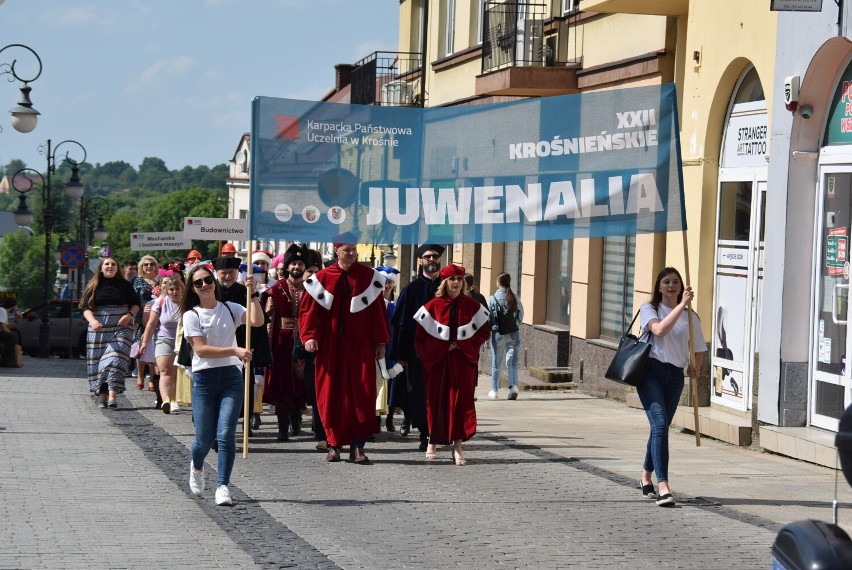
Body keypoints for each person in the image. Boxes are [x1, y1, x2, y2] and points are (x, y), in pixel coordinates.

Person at [299, 237, 389, 464]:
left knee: (362, 393)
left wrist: (380, 342)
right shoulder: (321, 279)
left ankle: (358, 446)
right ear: (336, 251)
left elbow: (378, 312)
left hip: (361, 346)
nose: (351, 253)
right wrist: (309, 336)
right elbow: (309, 312)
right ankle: (334, 445)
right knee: (331, 395)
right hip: (331, 347)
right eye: (346, 250)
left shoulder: (369, 278)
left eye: (354, 250)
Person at [183, 263, 264, 506]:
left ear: (214, 282)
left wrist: (253, 294)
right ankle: (197, 466)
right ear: (193, 289)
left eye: (208, 280)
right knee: (203, 439)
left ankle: (222, 486)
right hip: (205, 379)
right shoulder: (192, 315)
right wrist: (234, 349)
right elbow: (201, 350)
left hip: (231, 376)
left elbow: (256, 321)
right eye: (198, 283)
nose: (205, 285)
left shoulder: (230, 308)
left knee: (227, 433)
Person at [638, 266, 706, 507]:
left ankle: (646, 475)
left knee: (661, 426)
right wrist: (681, 305)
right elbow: (659, 330)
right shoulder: (649, 309)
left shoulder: (691, 317)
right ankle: (663, 485)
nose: (671, 285)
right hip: (650, 373)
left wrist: (695, 367)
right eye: (666, 281)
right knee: (659, 423)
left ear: (681, 286)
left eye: (675, 282)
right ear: (659, 287)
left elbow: (698, 347)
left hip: (675, 376)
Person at [414, 264, 490, 465]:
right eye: (452, 279)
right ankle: (432, 442)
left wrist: (463, 345)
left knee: (461, 403)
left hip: (462, 361)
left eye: (459, 279)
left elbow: (483, 333)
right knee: (436, 401)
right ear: (445, 282)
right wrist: (441, 348)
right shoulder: (433, 306)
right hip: (439, 363)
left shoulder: (472, 306)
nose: (455, 283)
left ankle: (458, 447)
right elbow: (420, 338)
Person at [388, 244, 445, 451]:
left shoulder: (447, 287)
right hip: (417, 354)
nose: (432, 260)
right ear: (420, 261)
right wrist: (400, 354)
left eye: (435, 257)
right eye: (427, 257)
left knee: (440, 394)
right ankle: (425, 433)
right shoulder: (411, 290)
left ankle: (438, 432)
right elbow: (401, 324)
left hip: (443, 353)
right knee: (419, 395)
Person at [215, 255, 271, 437]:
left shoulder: (245, 292)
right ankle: (218, 426)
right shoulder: (210, 292)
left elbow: (259, 323)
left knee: (244, 386)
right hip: (218, 347)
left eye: (231, 273)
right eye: (224, 273)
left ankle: (245, 420)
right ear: (217, 273)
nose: (227, 276)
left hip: (242, 346)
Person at [80, 257, 140, 409]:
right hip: (99, 329)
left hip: (121, 327)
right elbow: (85, 307)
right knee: (101, 363)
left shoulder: (125, 285)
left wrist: (129, 315)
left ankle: (112, 395)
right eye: (107, 264)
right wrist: (92, 321)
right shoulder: (93, 285)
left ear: (117, 268)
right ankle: (102, 396)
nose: (110, 266)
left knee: (115, 358)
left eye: (113, 264)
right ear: (101, 268)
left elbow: (136, 304)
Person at [264, 243, 309, 441]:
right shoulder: (276, 289)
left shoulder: (311, 289)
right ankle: (282, 427)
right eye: (294, 264)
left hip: (306, 339)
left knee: (301, 381)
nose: (297, 267)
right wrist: (268, 345)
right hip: (282, 340)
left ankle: (296, 417)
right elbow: (269, 317)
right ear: (287, 266)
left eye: (300, 264)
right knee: (283, 382)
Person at [139, 276, 185, 414]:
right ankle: (165, 400)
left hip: (183, 342)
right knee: (165, 371)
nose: (174, 292)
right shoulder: (160, 302)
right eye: (171, 289)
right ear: (166, 290)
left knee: (177, 372)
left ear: (183, 290)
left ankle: (174, 400)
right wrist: (145, 342)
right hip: (163, 339)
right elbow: (151, 324)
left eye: (177, 289)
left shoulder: (189, 303)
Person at [488, 272, 524, 401]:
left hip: (498, 334)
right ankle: (513, 386)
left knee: (496, 364)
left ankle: (494, 390)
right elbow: (520, 316)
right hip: (514, 333)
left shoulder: (492, 298)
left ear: (498, 283)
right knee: (512, 363)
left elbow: (489, 318)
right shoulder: (515, 297)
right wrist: (514, 325)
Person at [134, 255, 160, 393]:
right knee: (141, 346)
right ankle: (140, 375)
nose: (149, 266)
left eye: (151, 264)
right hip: (141, 318)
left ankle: (151, 377)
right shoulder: (138, 281)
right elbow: (134, 299)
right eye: (146, 265)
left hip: (158, 317)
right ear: (142, 267)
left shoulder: (160, 281)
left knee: (155, 346)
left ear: (156, 266)